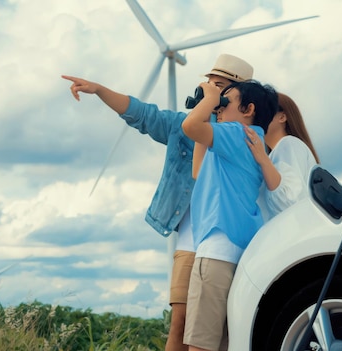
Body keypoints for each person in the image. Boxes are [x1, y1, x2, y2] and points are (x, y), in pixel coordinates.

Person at [61, 54, 254, 351]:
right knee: (180, 322)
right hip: (192, 236)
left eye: (219, 87)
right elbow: (143, 115)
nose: (210, 90)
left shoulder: (244, 134)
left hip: (226, 236)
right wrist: (99, 90)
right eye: (209, 84)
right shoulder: (183, 126)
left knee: (227, 327)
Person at [181, 80, 278, 351]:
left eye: (227, 102)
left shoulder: (235, 133)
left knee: (201, 345)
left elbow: (189, 127)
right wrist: (212, 111)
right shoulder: (255, 141)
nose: (220, 109)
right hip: (241, 255)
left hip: (216, 254)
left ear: (248, 109)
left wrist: (209, 99)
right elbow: (198, 171)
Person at [244, 92, 320, 221]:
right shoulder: (276, 152)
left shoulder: (288, 144)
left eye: (263, 111)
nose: (255, 117)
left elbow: (290, 203)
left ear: (282, 117)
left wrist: (263, 160)